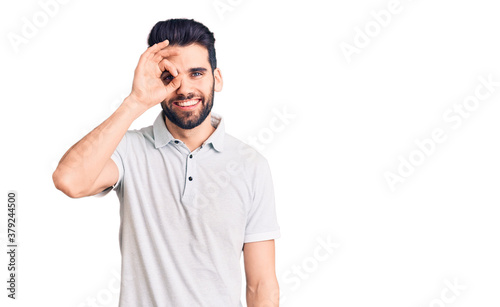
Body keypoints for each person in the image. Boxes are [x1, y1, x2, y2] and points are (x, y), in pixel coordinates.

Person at [52, 18, 281, 307]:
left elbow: (261, 286)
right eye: (169, 76)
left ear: (217, 78)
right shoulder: (127, 148)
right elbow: (69, 180)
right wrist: (135, 101)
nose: (184, 89)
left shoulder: (250, 165)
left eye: (196, 73)